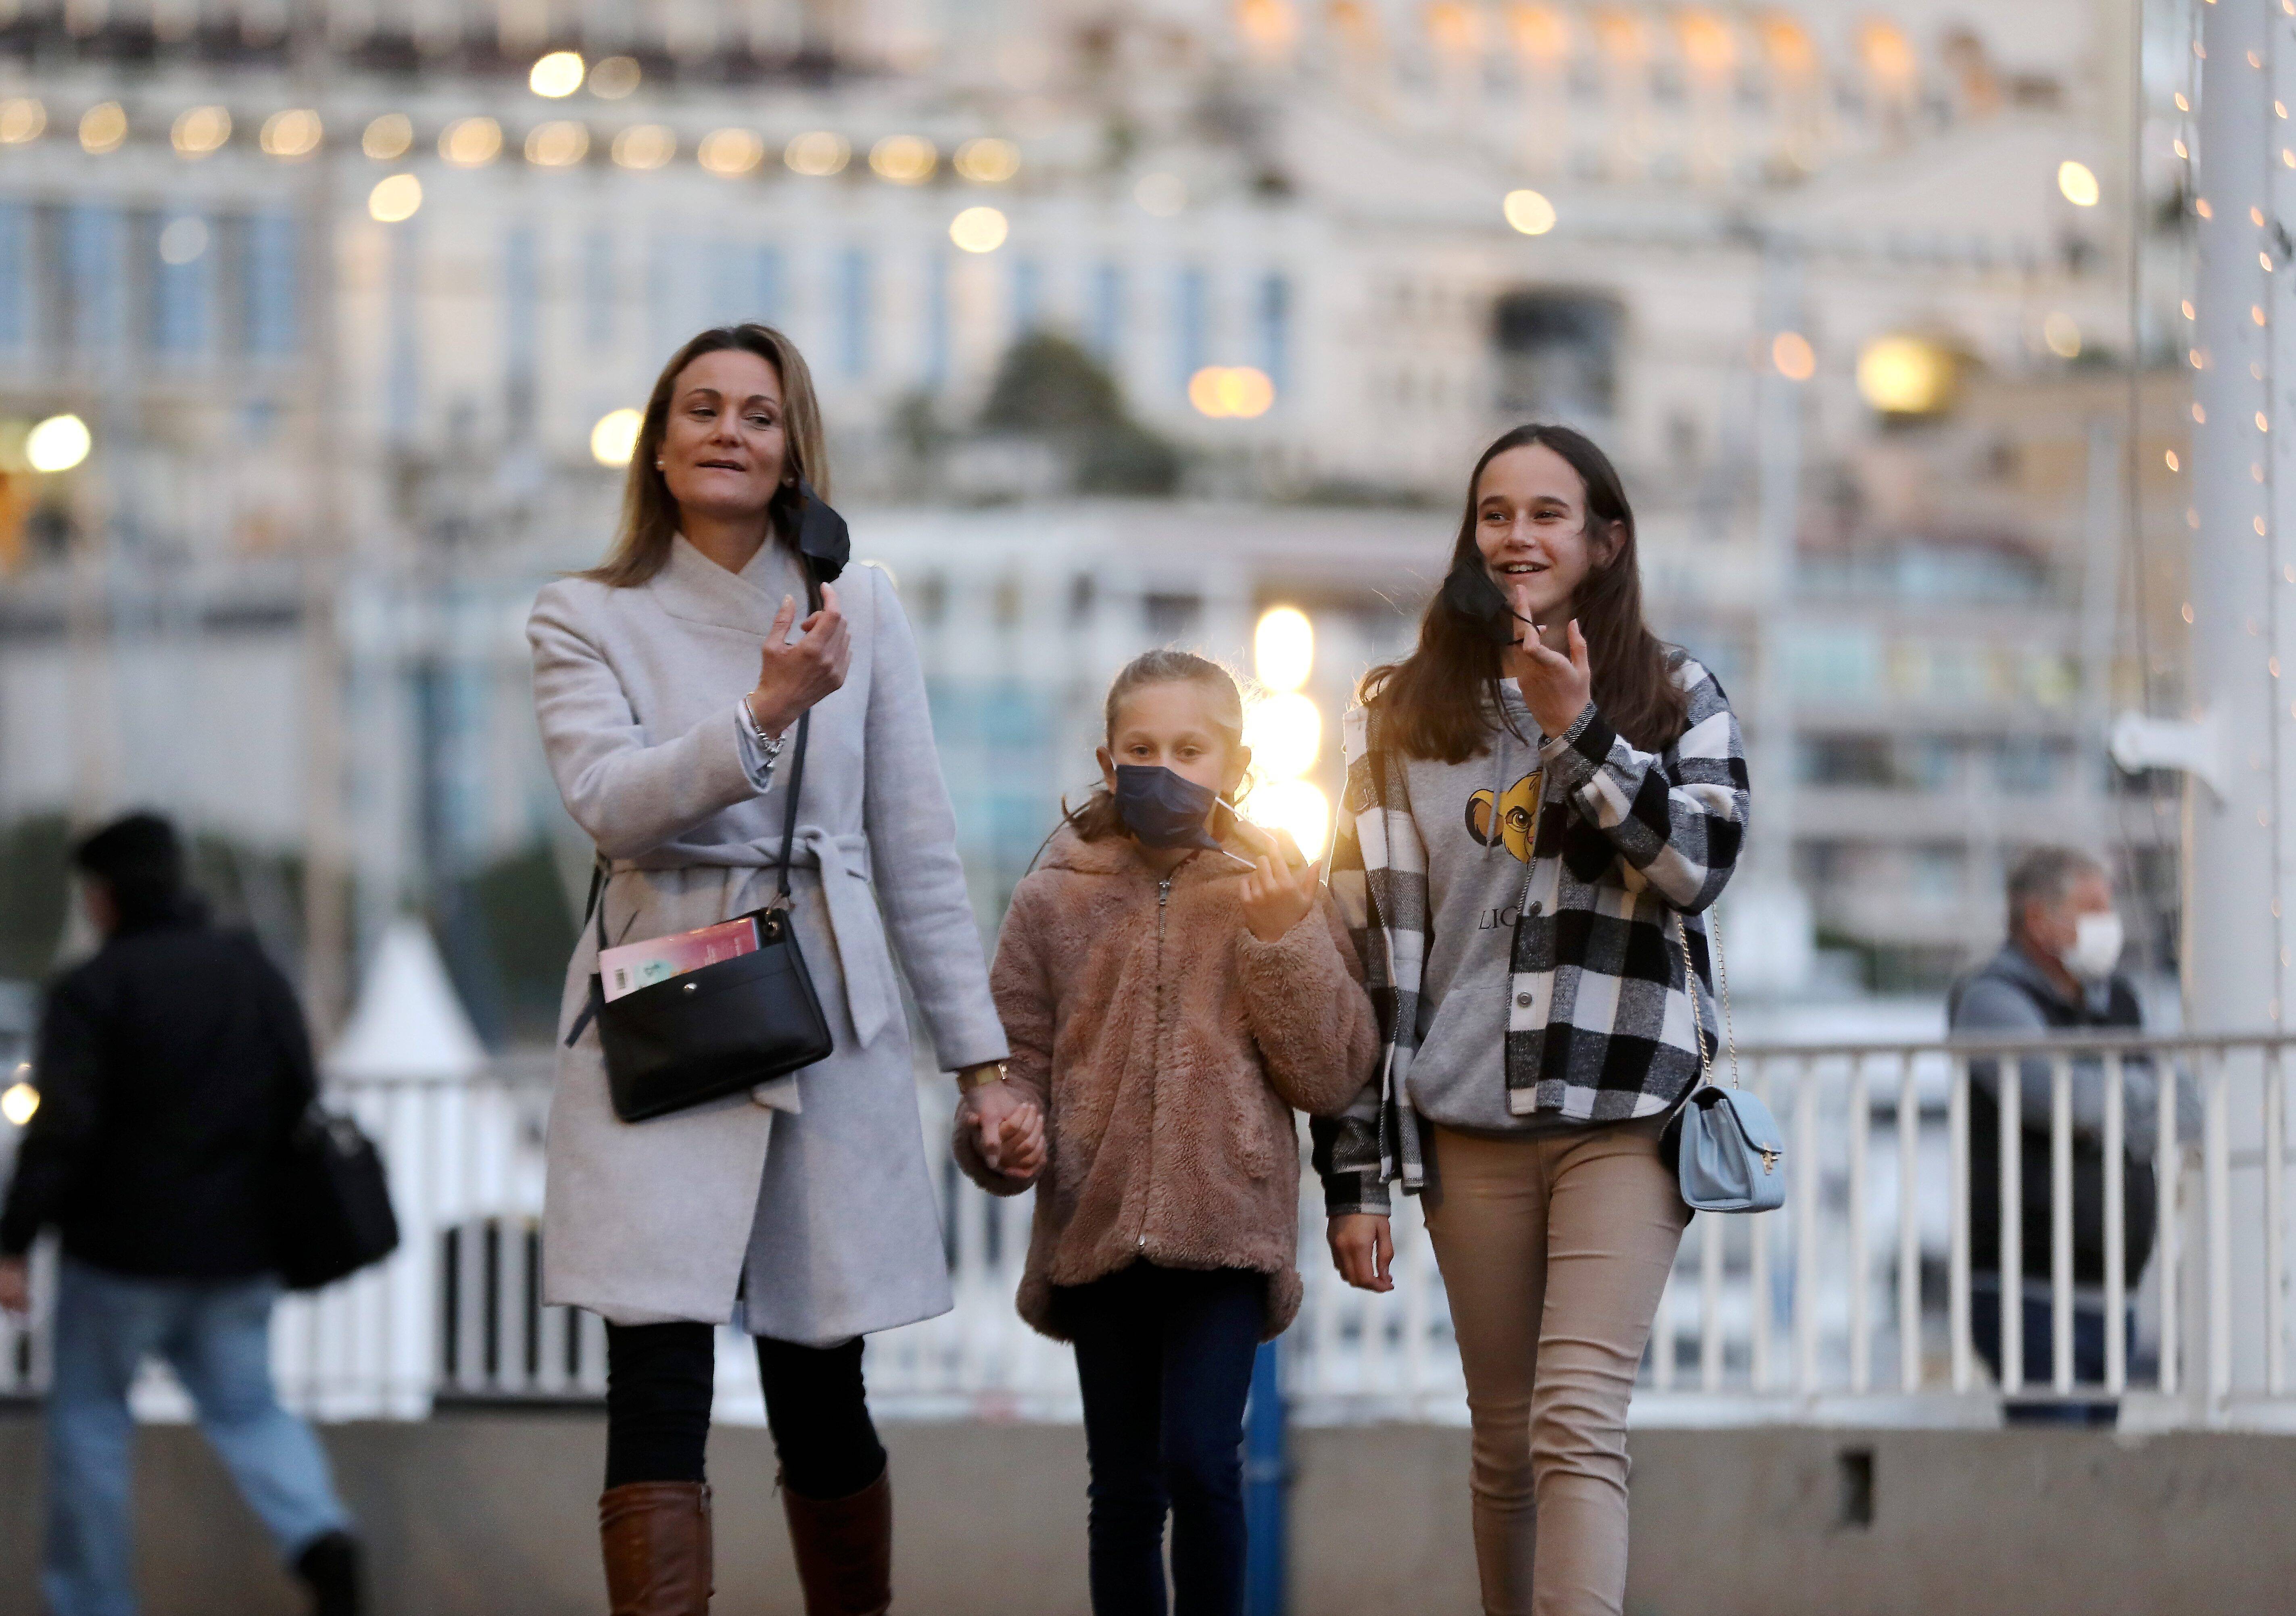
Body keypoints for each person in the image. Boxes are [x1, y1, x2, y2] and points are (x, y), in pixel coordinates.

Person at [528, 323, 1036, 1616]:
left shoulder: (859, 606)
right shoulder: (583, 614)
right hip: (661, 1002)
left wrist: (980, 1063)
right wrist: (764, 710)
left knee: (822, 1382)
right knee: (655, 1375)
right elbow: (610, 802)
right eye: (700, 409)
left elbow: (914, 842)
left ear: (791, 450)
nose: (727, 433)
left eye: (757, 415)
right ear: (658, 446)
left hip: (826, 1007)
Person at [1315, 425, 1748, 1616]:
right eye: (1494, 513)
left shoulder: (1676, 694)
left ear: (1604, 541)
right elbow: (1362, 950)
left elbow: (1699, 867)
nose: (1517, 536)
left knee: (1575, 1418)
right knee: (1504, 1442)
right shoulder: (1397, 713)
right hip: (1465, 1116)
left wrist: (1581, 732)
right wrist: (1354, 1174)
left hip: (1625, 1106)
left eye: (1547, 513)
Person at [953, 649, 1377, 1616]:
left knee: (1200, 1461)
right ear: (1107, 762)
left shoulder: (1275, 883)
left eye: (1190, 750)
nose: (1163, 768)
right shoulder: (1051, 895)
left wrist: (1284, 934)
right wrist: (1002, 1132)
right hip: (1093, 1226)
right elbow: (1011, 1059)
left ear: (1236, 764)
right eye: (1140, 750)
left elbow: (1329, 1071)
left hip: (1225, 1231)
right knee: (1123, 1489)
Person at [0, 813, 362, 1616]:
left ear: (101, 895)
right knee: (251, 1411)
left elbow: (61, 1129)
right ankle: (321, 1538)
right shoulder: (250, 969)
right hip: (241, 1250)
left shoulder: (93, 988)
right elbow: (299, 1090)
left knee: (91, 1426)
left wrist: (13, 1240)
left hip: (119, 1256)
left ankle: (94, 1603)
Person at [1948, 846, 2175, 1397]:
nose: (2108, 924)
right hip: (2027, 1289)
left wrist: (2107, 1105)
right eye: (2092, 909)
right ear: (2037, 918)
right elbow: (2057, 1102)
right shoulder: (1990, 1000)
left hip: (2114, 1290)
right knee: (2050, 1445)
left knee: (2099, 1449)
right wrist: (2132, 1102)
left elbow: (2181, 1108)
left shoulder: (2119, 1002)